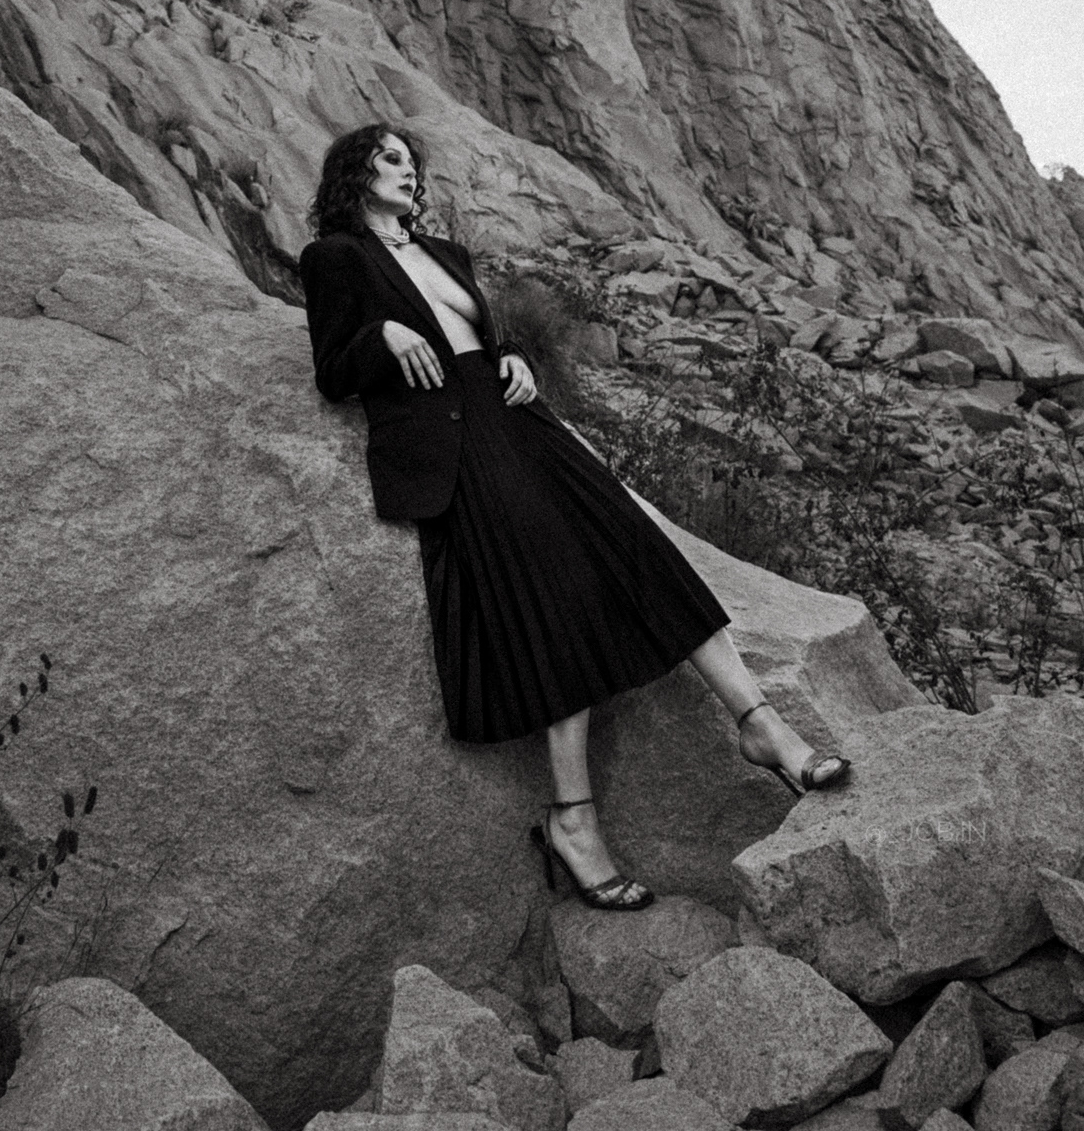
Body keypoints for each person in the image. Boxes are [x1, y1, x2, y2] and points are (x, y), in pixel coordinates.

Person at [298, 123, 850, 912]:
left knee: (638, 548)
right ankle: (573, 819)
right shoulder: (335, 258)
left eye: (413, 160)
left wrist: (510, 354)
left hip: (518, 419)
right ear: (355, 171)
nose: (408, 170)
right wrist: (379, 334)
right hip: (456, 445)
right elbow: (331, 372)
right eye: (391, 158)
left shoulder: (446, 252)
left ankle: (763, 726)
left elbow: (480, 336)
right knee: (548, 599)